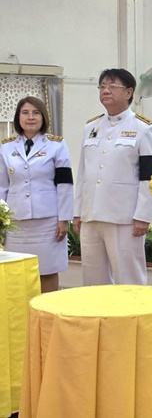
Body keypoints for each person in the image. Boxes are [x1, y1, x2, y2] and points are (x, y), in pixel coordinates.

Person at [74, 68, 152, 285]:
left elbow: (150, 177)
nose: (106, 91)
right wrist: (78, 212)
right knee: (93, 280)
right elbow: (83, 173)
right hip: (91, 215)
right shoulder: (91, 127)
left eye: (112, 86)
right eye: (102, 86)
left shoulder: (144, 128)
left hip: (124, 217)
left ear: (129, 92)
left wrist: (143, 216)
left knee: (129, 278)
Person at [0, 97, 73, 293]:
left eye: (36, 113)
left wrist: (64, 218)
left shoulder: (57, 145)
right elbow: (2, 187)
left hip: (48, 222)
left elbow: (65, 184)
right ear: (18, 118)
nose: (30, 117)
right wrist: (1, 222)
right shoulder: (6, 148)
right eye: (25, 113)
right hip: (16, 224)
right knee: (17, 272)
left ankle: (46, 310)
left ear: (43, 117)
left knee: (47, 271)